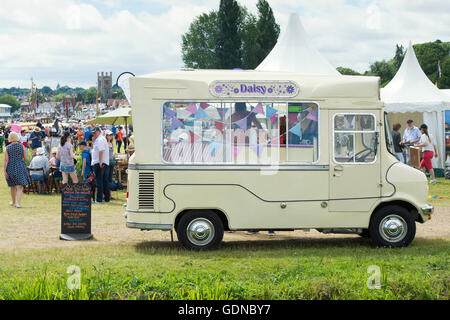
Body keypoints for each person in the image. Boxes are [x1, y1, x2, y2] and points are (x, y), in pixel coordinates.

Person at [4, 132, 31, 208]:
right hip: (20, 166)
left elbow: (6, 160)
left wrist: (4, 171)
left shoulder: (7, 148)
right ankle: (18, 203)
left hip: (10, 167)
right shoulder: (21, 146)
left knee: (12, 185)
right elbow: (25, 158)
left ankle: (13, 202)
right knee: (19, 186)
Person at [91, 127, 110, 203]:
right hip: (101, 162)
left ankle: (99, 199)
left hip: (99, 163)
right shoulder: (99, 139)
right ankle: (106, 198)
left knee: (99, 182)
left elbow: (101, 151)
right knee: (104, 181)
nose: (94, 134)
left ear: (98, 132)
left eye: (94, 133)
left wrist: (100, 162)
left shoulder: (100, 139)